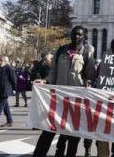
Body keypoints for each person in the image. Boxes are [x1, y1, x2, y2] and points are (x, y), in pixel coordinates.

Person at [32, 26, 96, 157]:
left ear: (83, 37)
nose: (76, 37)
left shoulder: (87, 54)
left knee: (73, 136)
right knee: (48, 130)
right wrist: (45, 81)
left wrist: (89, 83)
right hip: (58, 99)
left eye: (79, 35)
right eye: (74, 34)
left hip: (76, 101)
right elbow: (53, 72)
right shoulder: (61, 51)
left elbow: (90, 75)